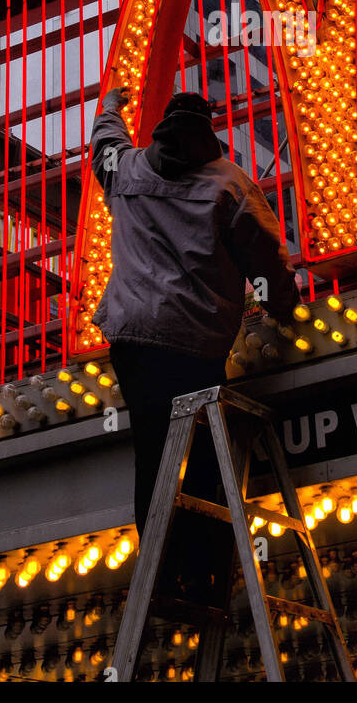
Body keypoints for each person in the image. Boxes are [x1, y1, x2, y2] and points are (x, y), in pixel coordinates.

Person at [90, 85, 300, 607]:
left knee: (153, 456)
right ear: (208, 134)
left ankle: (163, 575)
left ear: (161, 130)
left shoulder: (131, 168)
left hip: (134, 338)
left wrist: (112, 107)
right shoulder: (228, 185)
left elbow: (103, 143)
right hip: (193, 343)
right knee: (207, 455)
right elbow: (267, 260)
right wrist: (284, 308)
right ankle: (204, 574)